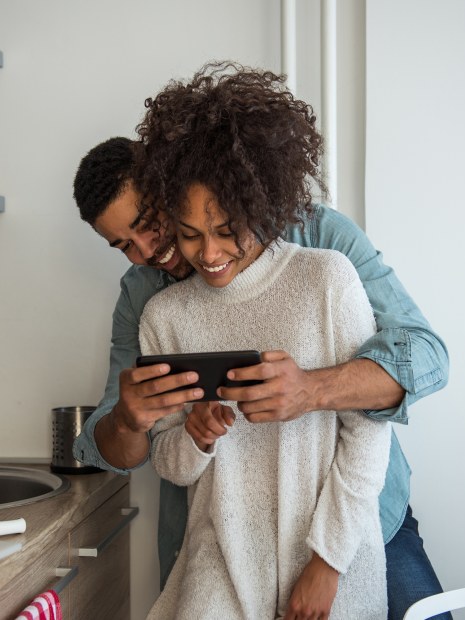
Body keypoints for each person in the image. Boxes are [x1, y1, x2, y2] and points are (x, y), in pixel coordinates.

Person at [72, 81, 451, 620]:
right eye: (123, 246)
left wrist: (312, 390)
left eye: (149, 226)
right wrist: (131, 422)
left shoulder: (322, 247)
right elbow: (130, 447)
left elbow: (424, 355)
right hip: (220, 544)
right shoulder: (146, 301)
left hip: (359, 513)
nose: (147, 252)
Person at [135, 60, 393, 616]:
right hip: (220, 557)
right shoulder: (164, 315)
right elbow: (169, 463)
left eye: (227, 231)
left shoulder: (327, 280)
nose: (207, 254)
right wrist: (198, 438)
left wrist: (326, 564)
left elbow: (369, 434)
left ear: (261, 204)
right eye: (189, 235)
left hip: (332, 553)